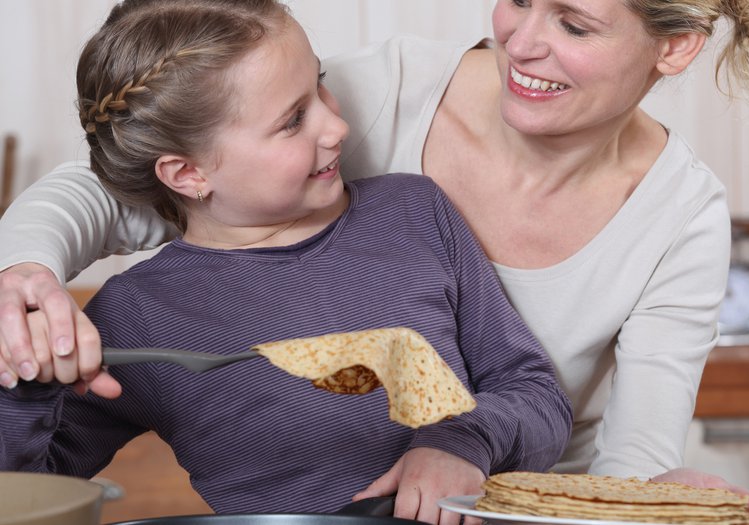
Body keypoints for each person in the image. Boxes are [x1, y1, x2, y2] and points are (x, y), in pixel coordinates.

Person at [0, 0, 749, 515]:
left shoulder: (410, 210)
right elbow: (33, 475)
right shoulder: (139, 314)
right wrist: (23, 311)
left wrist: (644, 501)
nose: (522, 42)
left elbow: (578, 427)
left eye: (572, 21)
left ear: (672, 50)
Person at [0, 1, 573, 524]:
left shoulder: (413, 212)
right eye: (292, 120)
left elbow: (535, 394)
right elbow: (30, 490)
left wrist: (460, 444)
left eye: (320, 85)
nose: (337, 126)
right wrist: (24, 386)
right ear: (189, 175)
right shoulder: (136, 317)